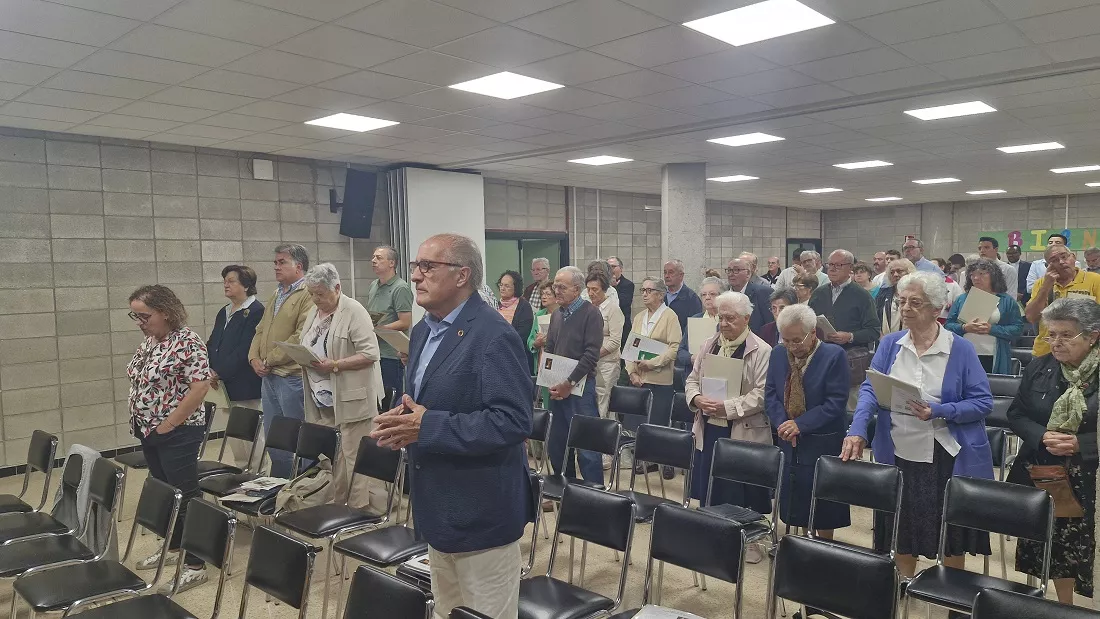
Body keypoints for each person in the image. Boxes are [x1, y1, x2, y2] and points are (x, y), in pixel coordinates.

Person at [371, 233, 531, 619]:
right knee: (447, 611)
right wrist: (401, 418)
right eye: (416, 266)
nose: (415, 276)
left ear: (462, 276)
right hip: (437, 506)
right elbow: (426, 400)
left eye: (428, 267)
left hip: (481, 511)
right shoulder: (423, 331)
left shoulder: (494, 335)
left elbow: (513, 421)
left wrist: (426, 426)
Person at [843, 271, 994, 580]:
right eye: (902, 302)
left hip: (945, 456)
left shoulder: (960, 349)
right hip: (899, 450)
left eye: (915, 302)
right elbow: (871, 388)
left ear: (937, 309)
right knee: (901, 532)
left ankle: (952, 594)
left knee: (949, 537)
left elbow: (982, 402)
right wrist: (857, 429)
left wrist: (939, 410)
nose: (906, 308)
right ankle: (902, 587)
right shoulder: (890, 344)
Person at [1007, 298, 1100, 604]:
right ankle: (1051, 603)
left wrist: (1083, 443)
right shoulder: (1040, 366)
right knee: (1045, 545)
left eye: (1066, 335)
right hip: (1043, 469)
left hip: (1088, 475)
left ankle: (1072, 606)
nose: (1056, 342)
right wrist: (1042, 435)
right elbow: (1016, 414)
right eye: (1051, 334)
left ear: (1093, 336)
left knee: (1078, 546)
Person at [127, 285, 212, 592]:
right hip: (148, 429)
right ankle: (175, 547)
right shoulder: (151, 340)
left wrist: (169, 425)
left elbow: (200, 388)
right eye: (135, 316)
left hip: (179, 432)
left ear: (165, 312)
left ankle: (196, 564)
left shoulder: (187, 341)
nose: (139, 322)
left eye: (144, 316)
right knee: (166, 491)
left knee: (186, 495)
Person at [685, 291, 773, 562]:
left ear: (746, 318)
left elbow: (762, 394)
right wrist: (696, 398)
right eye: (721, 317)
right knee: (711, 482)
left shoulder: (762, 350)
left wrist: (728, 407)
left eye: (730, 318)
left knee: (741, 486)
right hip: (710, 425)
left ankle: (750, 541)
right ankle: (713, 534)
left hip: (742, 427)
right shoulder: (709, 344)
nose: (723, 323)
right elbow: (692, 379)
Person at [300, 263, 386, 510]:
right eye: (312, 294)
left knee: (354, 455)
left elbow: (370, 353)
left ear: (337, 288)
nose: (315, 299)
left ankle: (359, 508)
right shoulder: (314, 312)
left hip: (353, 396)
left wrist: (336, 364)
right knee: (334, 454)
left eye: (320, 293)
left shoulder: (354, 311)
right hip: (323, 397)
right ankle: (340, 503)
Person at [765, 304, 851, 538]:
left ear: (813, 333)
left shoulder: (833, 355)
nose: (791, 346)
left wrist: (800, 424)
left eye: (797, 340)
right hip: (788, 440)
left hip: (822, 440)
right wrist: (783, 424)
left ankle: (823, 548)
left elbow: (835, 402)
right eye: (786, 340)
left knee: (824, 504)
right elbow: (770, 394)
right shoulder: (778, 353)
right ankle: (802, 545)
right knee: (797, 500)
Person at [248, 243, 314, 478]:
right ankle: (279, 484)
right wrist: (254, 358)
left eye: (282, 262)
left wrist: (269, 360)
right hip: (269, 377)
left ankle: (304, 485)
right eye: (275, 262)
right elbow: (260, 329)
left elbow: (301, 335)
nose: (276, 267)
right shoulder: (277, 293)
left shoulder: (308, 293)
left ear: (299, 266)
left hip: (291, 377)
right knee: (275, 436)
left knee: (298, 436)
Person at [542, 265, 605, 490]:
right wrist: (550, 380)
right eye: (555, 286)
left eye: (562, 287)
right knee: (558, 446)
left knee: (587, 448)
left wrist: (569, 383)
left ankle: (594, 498)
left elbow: (591, 355)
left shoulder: (591, 314)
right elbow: (550, 349)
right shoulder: (557, 315)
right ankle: (565, 492)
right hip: (557, 388)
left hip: (580, 389)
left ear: (577, 290)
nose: (556, 291)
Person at [207, 265, 265, 468]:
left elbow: (245, 350)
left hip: (245, 383)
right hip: (223, 384)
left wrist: (219, 372)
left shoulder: (256, 311)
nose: (226, 285)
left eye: (231, 281)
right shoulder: (224, 311)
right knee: (234, 435)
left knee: (251, 434)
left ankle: (258, 473)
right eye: (225, 281)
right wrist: (208, 368)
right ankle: (242, 470)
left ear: (246, 285)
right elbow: (213, 343)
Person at [946, 260, 1024, 374]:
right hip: (965, 353)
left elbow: (1017, 329)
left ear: (993, 276)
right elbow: (948, 325)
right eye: (972, 275)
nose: (976, 278)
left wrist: (991, 329)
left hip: (994, 354)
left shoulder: (1007, 301)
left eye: (981, 274)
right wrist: (964, 327)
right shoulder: (961, 299)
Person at [627, 277, 683, 429]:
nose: (644, 294)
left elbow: (674, 348)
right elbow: (629, 349)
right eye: (643, 290)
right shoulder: (639, 317)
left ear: (660, 294)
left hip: (659, 382)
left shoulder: (670, 316)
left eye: (649, 290)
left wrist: (652, 364)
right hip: (638, 381)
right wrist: (632, 373)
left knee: (655, 428)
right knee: (634, 428)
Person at [1027, 244, 1100, 358]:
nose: (1061, 262)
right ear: (1048, 266)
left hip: (1084, 352)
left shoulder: (1094, 280)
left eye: (1064, 256)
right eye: (1054, 260)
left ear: (1073, 257)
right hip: (1046, 352)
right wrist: (1046, 286)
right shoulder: (1041, 283)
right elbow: (1031, 317)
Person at [367, 245, 413, 403]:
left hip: (391, 355)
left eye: (379, 258)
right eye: (373, 257)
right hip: (374, 352)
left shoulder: (400, 288)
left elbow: (405, 322)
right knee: (376, 401)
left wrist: (380, 331)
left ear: (392, 263)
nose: (373, 261)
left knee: (391, 401)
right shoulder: (374, 285)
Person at [808, 249, 880, 351]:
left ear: (850, 268)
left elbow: (873, 331)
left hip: (850, 353)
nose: (832, 269)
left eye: (838, 265)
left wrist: (850, 336)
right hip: (821, 352)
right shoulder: (818, 293)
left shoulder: (862, 296)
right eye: (830, 264)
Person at [587, 269, 624, 420]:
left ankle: (602, 432)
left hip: (607, 363)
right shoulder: (588, 308)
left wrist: (594, 355)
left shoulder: (613, 309)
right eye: (588, 289)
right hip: (590, 363)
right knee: (591, 400)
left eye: (595, 289)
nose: (591, 293)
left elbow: (615, 341)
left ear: (604, 289)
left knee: (604, 402)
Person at [496, 270, 535, 372]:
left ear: (515, 288)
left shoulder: (524, 306)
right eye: (501, 285)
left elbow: (523, 334)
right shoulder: (495, 305)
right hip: (496, 355)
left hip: (516, 356)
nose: (502, 288)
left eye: (507, 286)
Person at [726, 257, 774, 335]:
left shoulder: (763, 293)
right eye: (729, 270)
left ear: (748, 273)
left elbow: (771, 327)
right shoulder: (724, 295)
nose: (731, 274)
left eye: (736, 270)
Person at [686, 276, 726, 359]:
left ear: (722, 296)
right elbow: (681, 351)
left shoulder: (727, 320)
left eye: (712, 294)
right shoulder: (695, 319)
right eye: (703, 295)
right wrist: (692, 358)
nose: (707, 297)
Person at [876, 259, 917, 337]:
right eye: (892, 272)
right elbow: (876, 318)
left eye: (899, 271)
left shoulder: (916, 293)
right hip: (886, 339)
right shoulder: (883, 293)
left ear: (909, 273)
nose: (895, 274)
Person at [663, 259, 702, 334]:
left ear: (681, 275)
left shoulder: (692, 299)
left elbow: (694, 328)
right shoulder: (660, 295)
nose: (666, 276)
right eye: (665, 272)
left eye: (671, 272)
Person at [608, 255, 633, 348]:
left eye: (613, 266)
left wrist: (613, 288)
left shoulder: (628, 284)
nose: (610, 270)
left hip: (622, 328)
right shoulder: (603, 286)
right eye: (608, 267)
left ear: (621, 269)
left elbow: (623, 303)